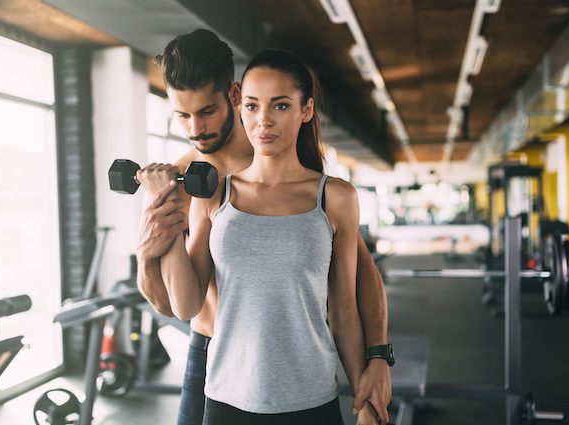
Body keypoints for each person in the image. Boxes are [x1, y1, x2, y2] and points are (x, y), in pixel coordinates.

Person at [135, 29, 391, 424]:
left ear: (232, 96)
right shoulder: (183, 181)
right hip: (213, 355)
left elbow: (358, 280)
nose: (194, 128)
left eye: (205, 111)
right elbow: (174, 305)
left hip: (298, 366)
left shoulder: (310, 182)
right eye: (182, 115)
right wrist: (147, 253)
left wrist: (377, 357)